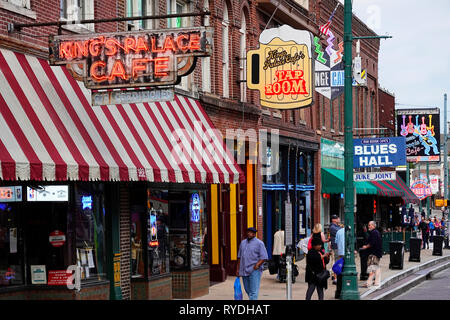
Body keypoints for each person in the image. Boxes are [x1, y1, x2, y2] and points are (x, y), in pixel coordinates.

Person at [237, 227, 268, 300]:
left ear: (254, 234)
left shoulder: (259, 243)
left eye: (251, 232)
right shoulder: (243, 243)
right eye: (248, 232)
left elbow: (264, 257)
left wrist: (257, 265)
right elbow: (239, 257)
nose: (249, 233)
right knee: (248, 290)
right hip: (244, 270)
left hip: (254, 270)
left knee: (253, 292)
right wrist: (237, 269)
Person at [360, 221, 382, 288]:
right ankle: (376, 282)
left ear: (373, 226)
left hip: (374, 253)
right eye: (368, 225)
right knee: (375, 268)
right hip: (376, 253)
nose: (368, 226)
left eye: (369, 225)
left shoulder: (374, 233)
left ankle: (369, 283)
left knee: (372, 268)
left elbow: (372, 242)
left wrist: (365, 247)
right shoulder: (375, 232)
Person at [329, 215, 341, 283]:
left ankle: (336, 276)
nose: (339, 219)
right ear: (334, 220)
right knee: (336, 261)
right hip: (336, 246)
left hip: (338, 246)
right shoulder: (333, 227)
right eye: (337, 218)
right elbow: (340, 232)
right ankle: (335, 277)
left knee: (338, 261)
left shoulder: (337, 226)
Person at [334, 223, 345, 299]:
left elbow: (336, 242)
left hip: (340, 252)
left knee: (339, 268)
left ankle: (338, 290)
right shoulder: (347, 232)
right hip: (347, 253)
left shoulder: (338, 232)